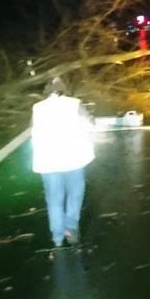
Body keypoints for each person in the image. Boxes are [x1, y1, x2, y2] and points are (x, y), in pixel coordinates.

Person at [31, 77, 95, 248]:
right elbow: (90, 123)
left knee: (54, 199)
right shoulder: (74, 103)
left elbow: (34, 132)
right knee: (75, 194)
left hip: (48, 162)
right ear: (64, 89)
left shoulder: (37, 107)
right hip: (73, 159)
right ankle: (70, 228)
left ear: (47, 90)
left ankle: (57, 238)